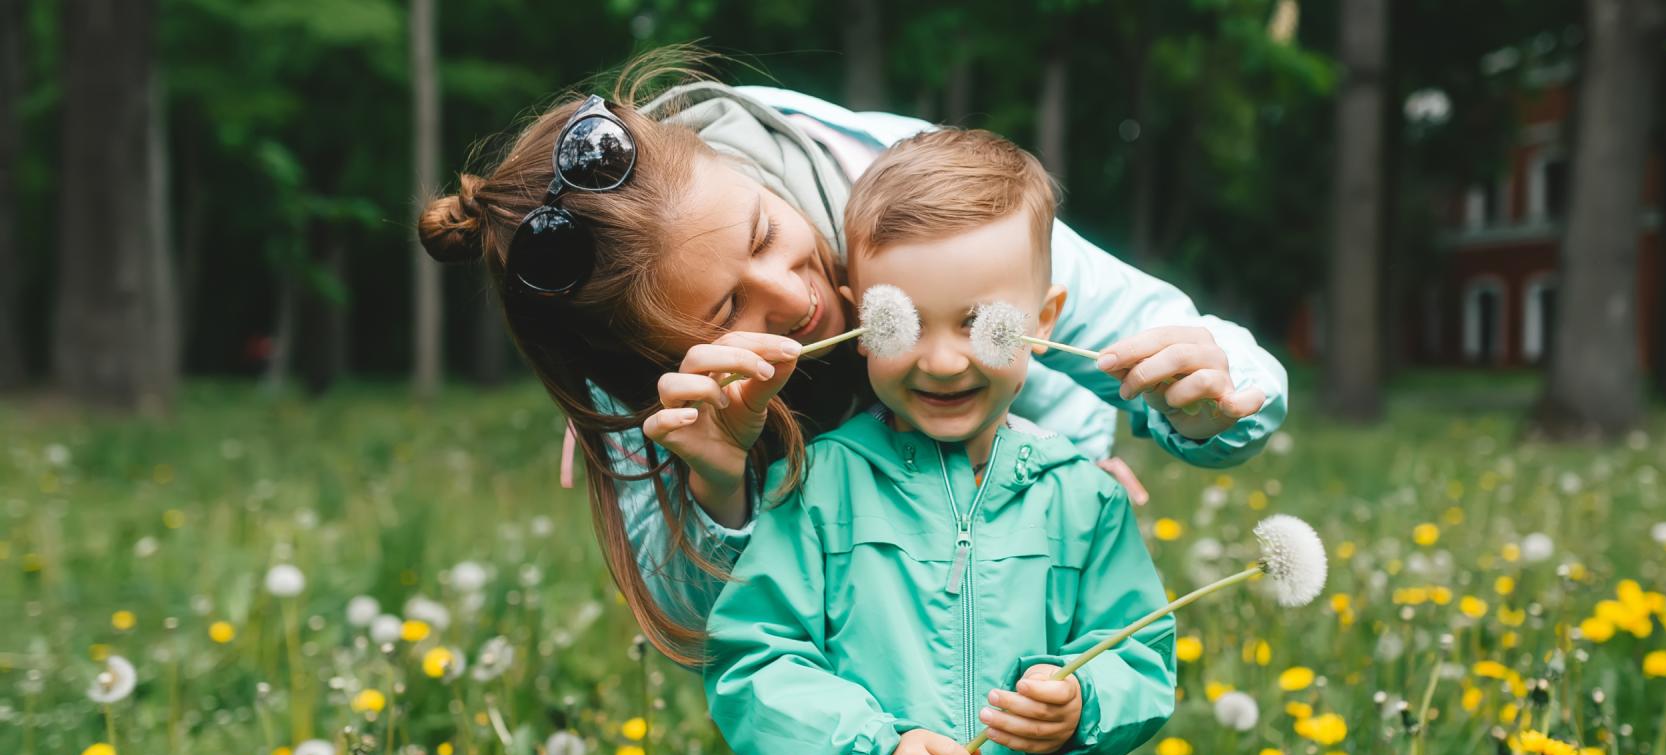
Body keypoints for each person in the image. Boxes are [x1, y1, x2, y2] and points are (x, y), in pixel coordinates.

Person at [415, 48, 1287, 672]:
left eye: (764, 233)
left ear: (746, 174)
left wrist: (1207, 407)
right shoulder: (631, 370)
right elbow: (709, 633)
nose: (791, 300)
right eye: (727, 311)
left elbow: (1189, 345)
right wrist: (718, 484)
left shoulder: (907, 190)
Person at [705, 127, 1175, 755]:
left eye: (983, 324)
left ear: (1044, 321)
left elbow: (1138, 654)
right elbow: (756, 658)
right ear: (861, 323)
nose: (944, 361)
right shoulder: (812, 487)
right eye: (902, 323)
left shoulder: (1085, 501)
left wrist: (1084, 707)